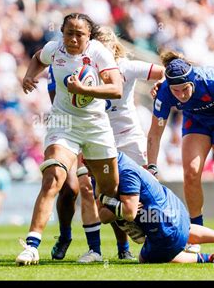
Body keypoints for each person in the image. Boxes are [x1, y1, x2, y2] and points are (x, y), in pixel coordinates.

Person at [16, 13, 124, 265]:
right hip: (63, 123)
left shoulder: (99, 54)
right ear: (62, 33)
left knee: (110, 193)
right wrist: (29, 76)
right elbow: (36, 58)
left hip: (96, 126)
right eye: (69, 33)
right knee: (53, 177)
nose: (73, 39)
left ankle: (127, 243)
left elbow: (116, 89)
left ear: (89, 36)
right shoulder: (55, 49)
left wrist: (84, 90)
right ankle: (32, 246)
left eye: (79, 34)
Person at [50, 26, 165, 262]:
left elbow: (165, 72)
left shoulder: (127, 67)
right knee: (89, 190)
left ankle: (145, 243)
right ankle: (95, 249)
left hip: (129, 137)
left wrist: (160, 86)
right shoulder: (81, 69)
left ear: (113, 48)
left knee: (144, 190)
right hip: (95, 136)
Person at [147, 50, 214, 253]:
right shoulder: (164, 91)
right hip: (196, 121)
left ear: (192, 82)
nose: (180, 95)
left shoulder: (212, 80)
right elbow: (154, 133)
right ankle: (197, 232)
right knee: (191, 173)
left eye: (184, 89)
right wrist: (152, 166)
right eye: (175, 91)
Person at [96, 152, 214, 264]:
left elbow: (129, 213)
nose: (87, 172)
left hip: (160, 224)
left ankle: (208, 258)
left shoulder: (122, 172)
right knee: (183, 229)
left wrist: (106, 200)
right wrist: (117, 206)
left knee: (145, 258)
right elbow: (103, 217)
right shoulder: (126, 164)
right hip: (176, 211)